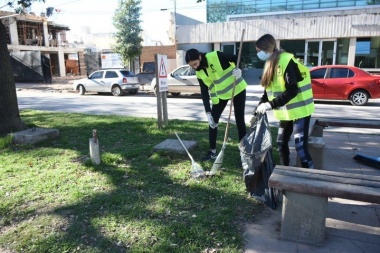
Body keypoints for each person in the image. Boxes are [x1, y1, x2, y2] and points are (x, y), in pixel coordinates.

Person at [255, 34, 315, 168]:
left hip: (301, 110)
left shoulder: (287, 61)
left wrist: (270, 104)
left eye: (259, 51)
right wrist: (258, 108)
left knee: (300, 146)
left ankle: (311, 177)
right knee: (281, 143)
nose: (258, 54)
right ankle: (284, 172)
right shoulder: (269, 64)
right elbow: (267, 92)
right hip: (286, 112)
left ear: (266, 49)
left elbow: (293, 90)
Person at [185, 48, 248, 161]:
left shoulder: (216, 56)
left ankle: (244, 153)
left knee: (240, 120)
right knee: (213, 122)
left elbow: (238, 59)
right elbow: (204, 93)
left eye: (195, 64)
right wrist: (208, 112)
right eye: (192, 66)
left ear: (200, 57)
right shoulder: (199, 73)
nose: (195, 67)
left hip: (237, 88)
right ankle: (212, 152)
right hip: (221, 95)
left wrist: (240, 69)